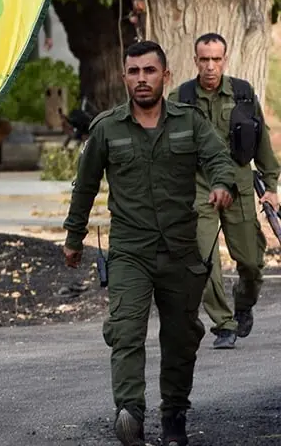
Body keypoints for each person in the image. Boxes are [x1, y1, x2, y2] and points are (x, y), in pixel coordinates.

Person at [62, 40, 236, 446]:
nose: (142, 79)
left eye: (150, 71)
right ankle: (130, 416)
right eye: (134, 72)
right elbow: (84, 186)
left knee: (181, 337)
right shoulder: (106, 128)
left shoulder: (189, 123)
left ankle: (174, 412)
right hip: (129, 252)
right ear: (124, 77)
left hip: (180, 250)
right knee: (125, 332)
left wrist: (223, 185)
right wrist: (74, 237)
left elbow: (218, 159)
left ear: (165, 75)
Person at [168, 32, 280, 349]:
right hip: (199, 186)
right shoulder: (180, 98)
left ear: (225, 60)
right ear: (195, 61)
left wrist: (270, 187)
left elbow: (262, 142)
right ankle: (224, 323)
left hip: (239, 184)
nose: (210, 66)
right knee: (201, 258)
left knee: (252, 262)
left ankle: (243, 305)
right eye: (204, 59)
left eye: (216, 59)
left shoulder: (243, 94)